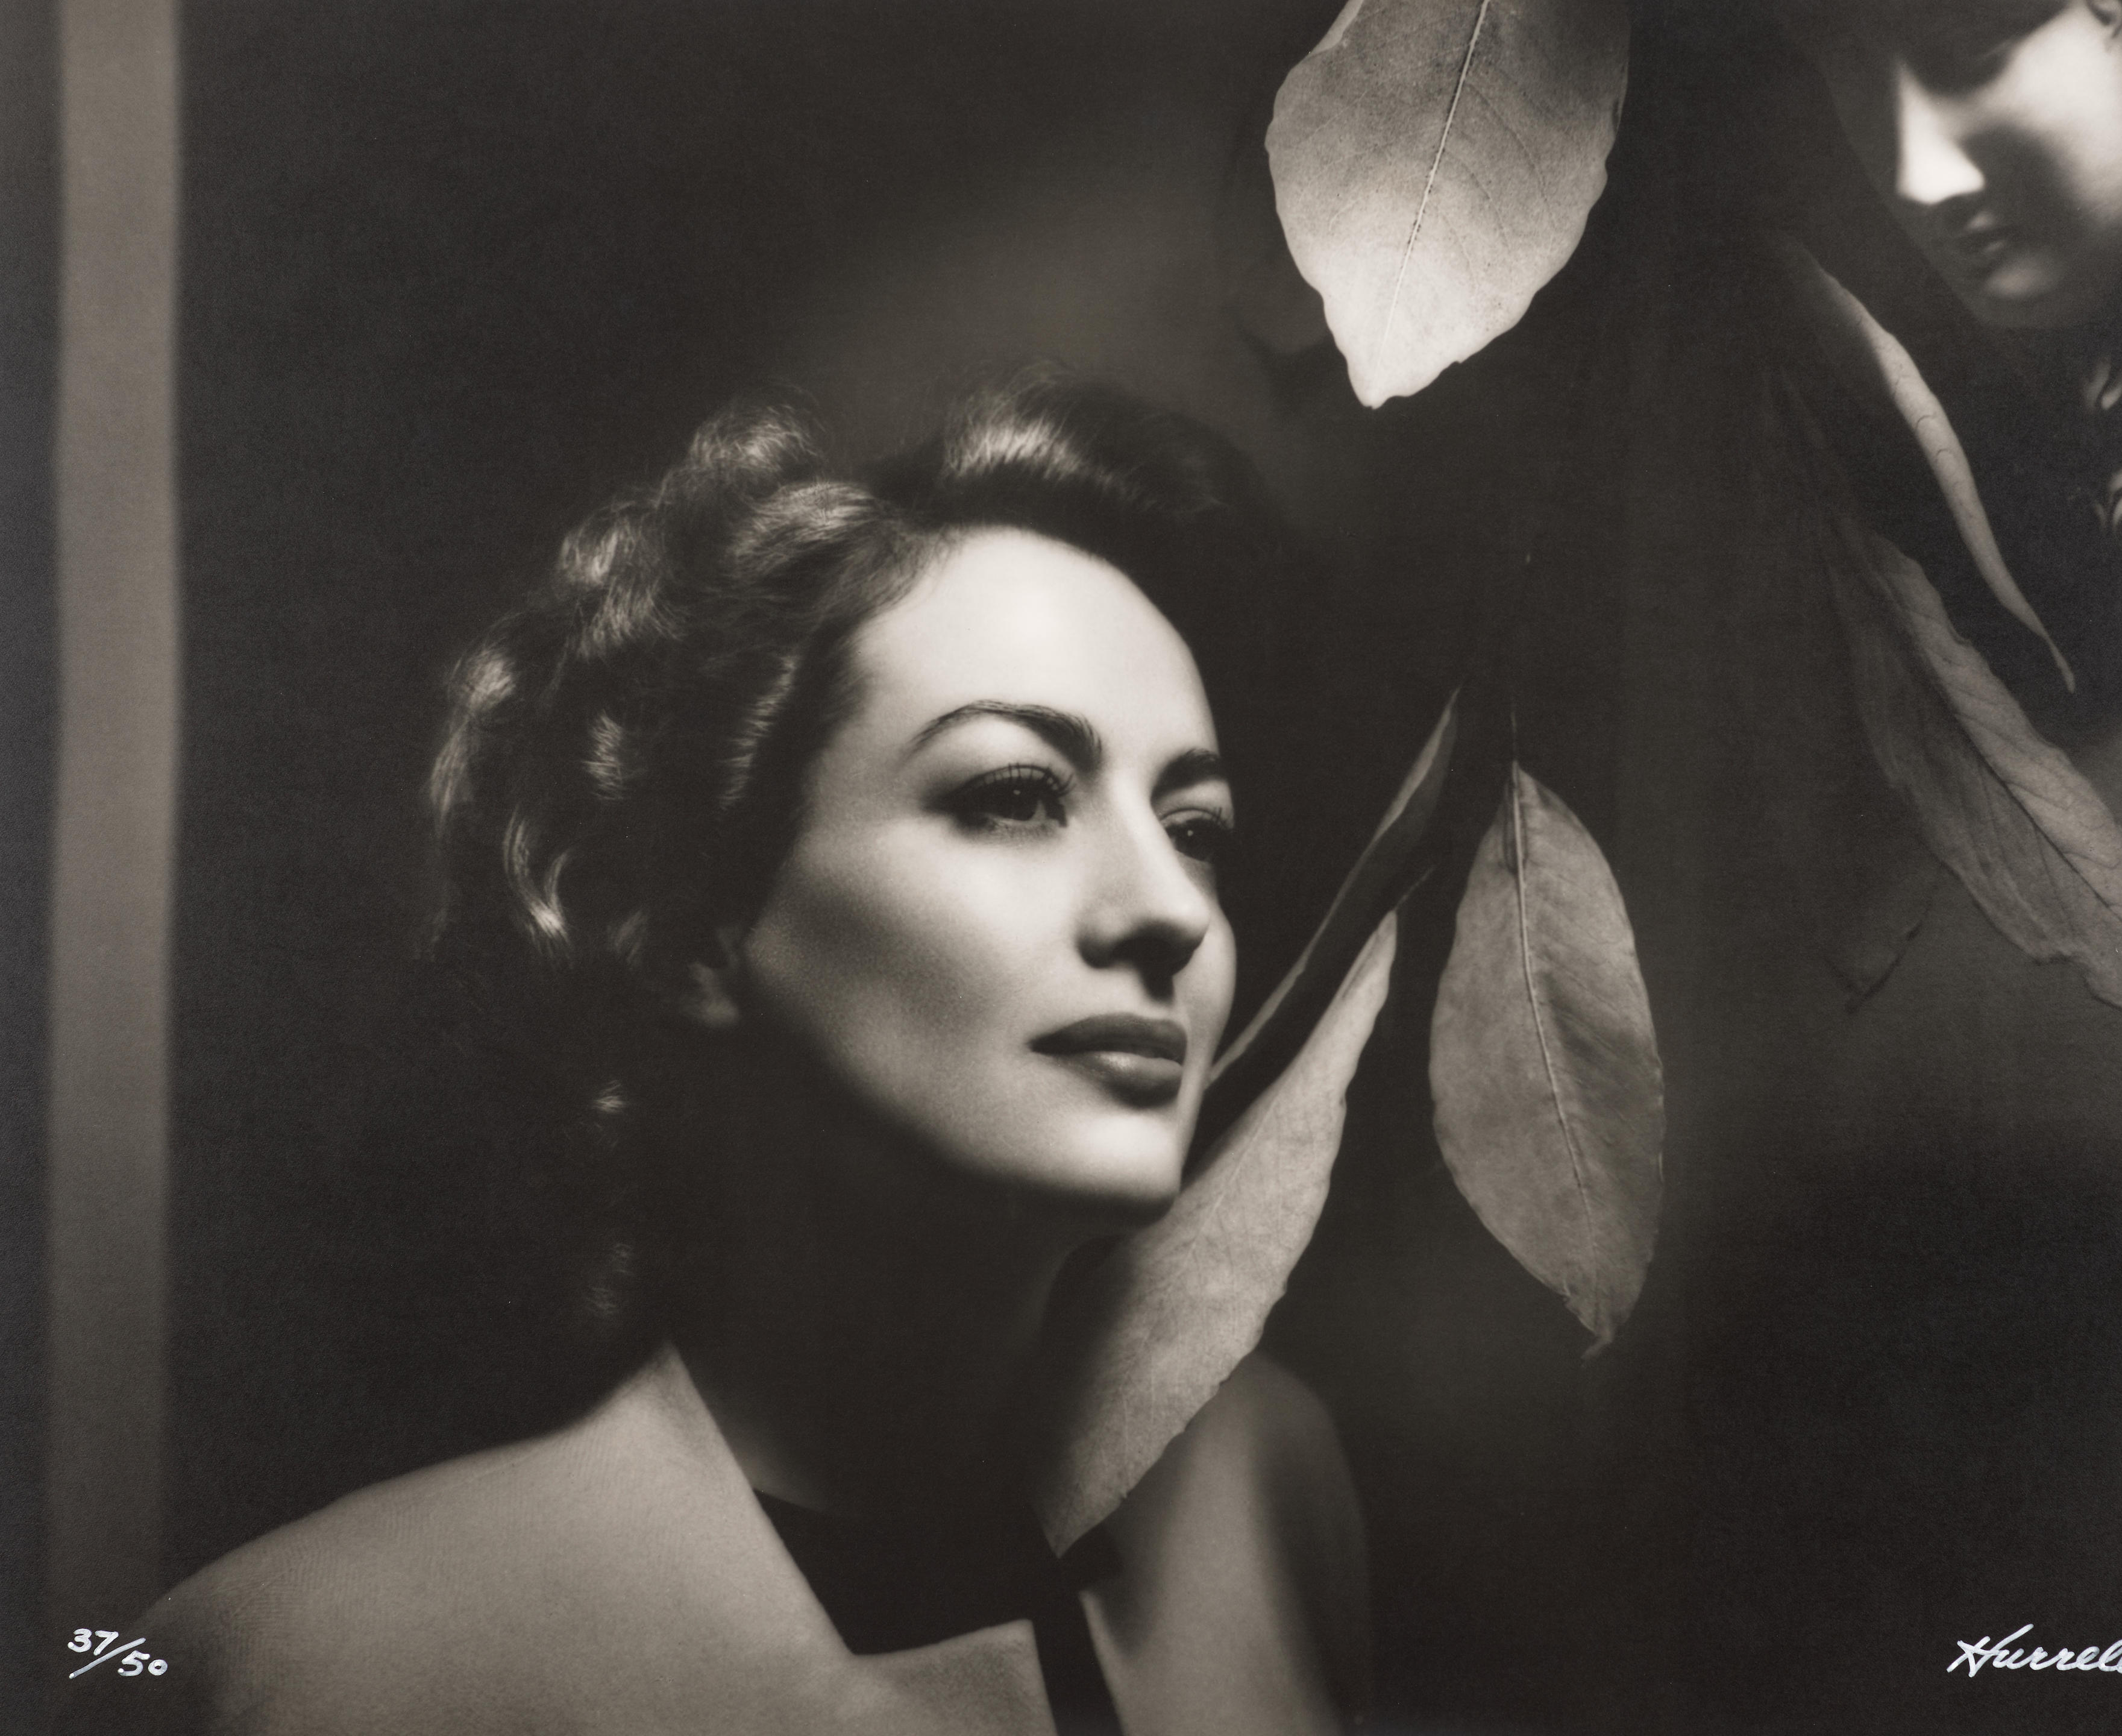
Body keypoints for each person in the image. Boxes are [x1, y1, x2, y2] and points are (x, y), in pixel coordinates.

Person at [58, 376, 1369, 1735]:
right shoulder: (295, 1670)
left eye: (1195, 830)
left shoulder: (1267, 1491)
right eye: (1015, 794)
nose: (1170, 911)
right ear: (691, 932)